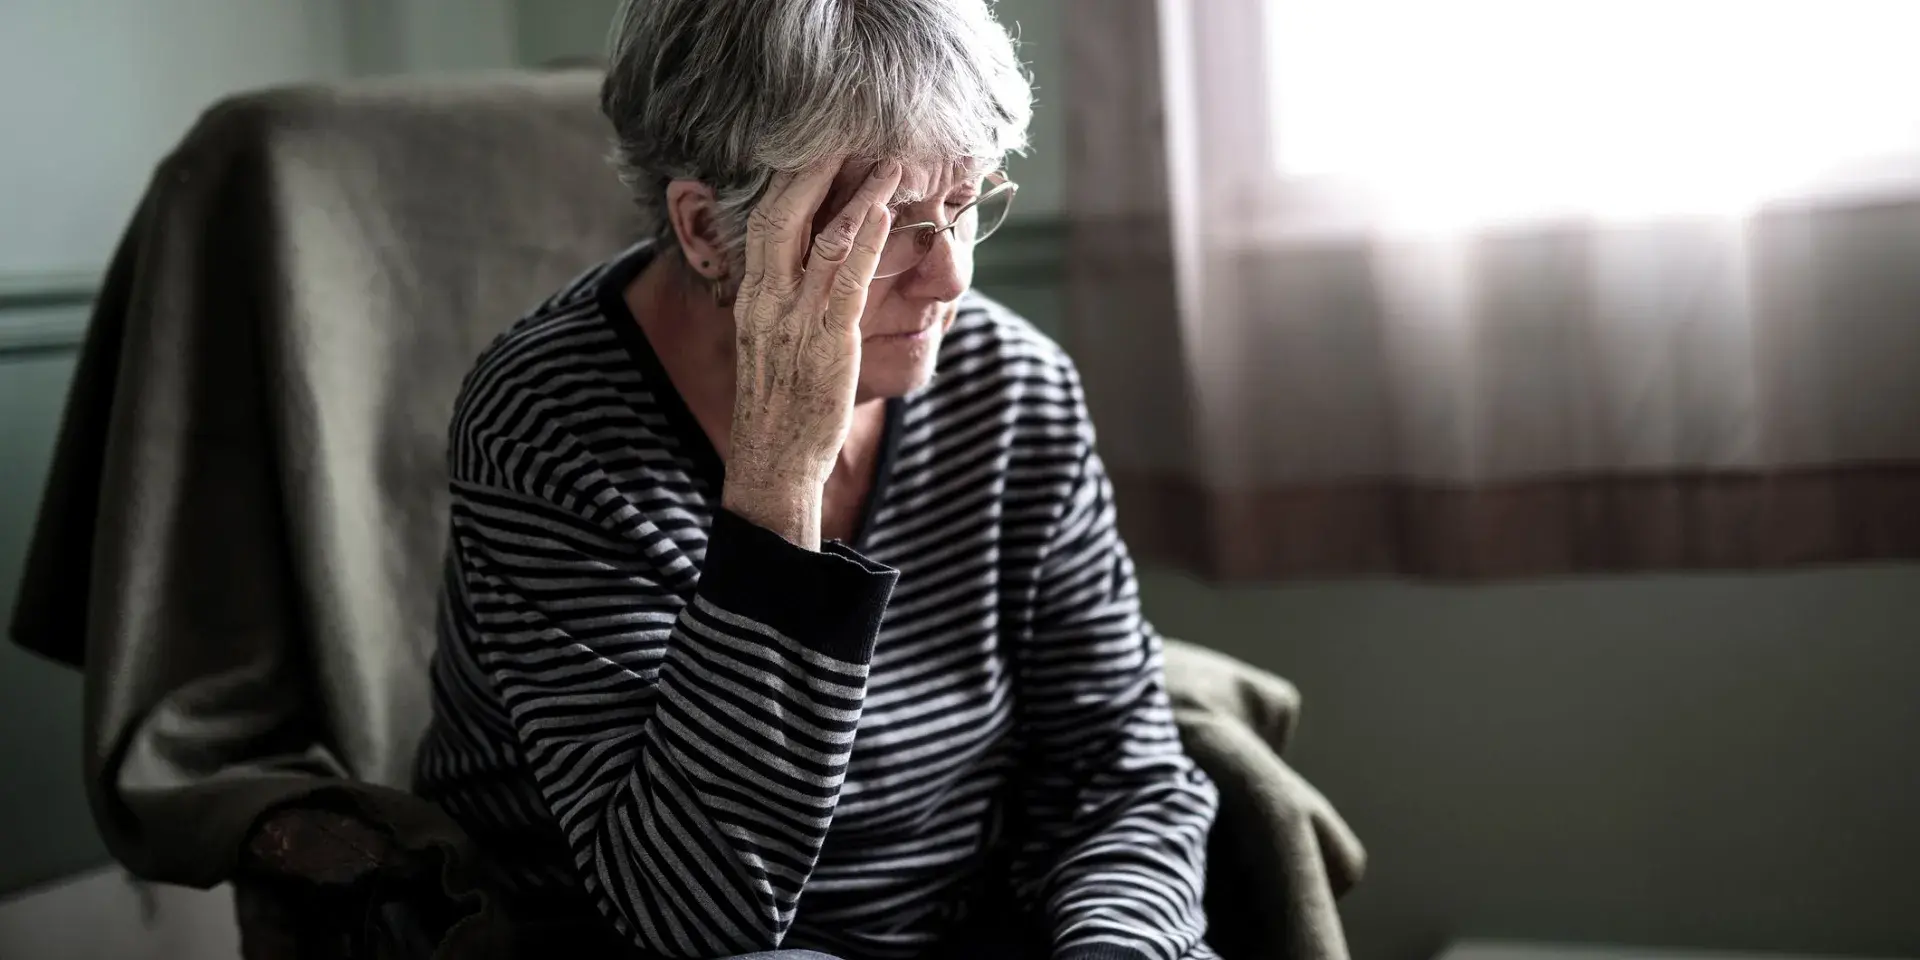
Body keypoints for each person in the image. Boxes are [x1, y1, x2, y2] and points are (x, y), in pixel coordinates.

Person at [412, 0, 1220, 957]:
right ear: (708, 229)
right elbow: (695, 913)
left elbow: (1119, 776)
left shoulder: (1010, 385)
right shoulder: (547, 421)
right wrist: (779, 479)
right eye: (885, 231)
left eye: (966, 204)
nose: (952, 277)